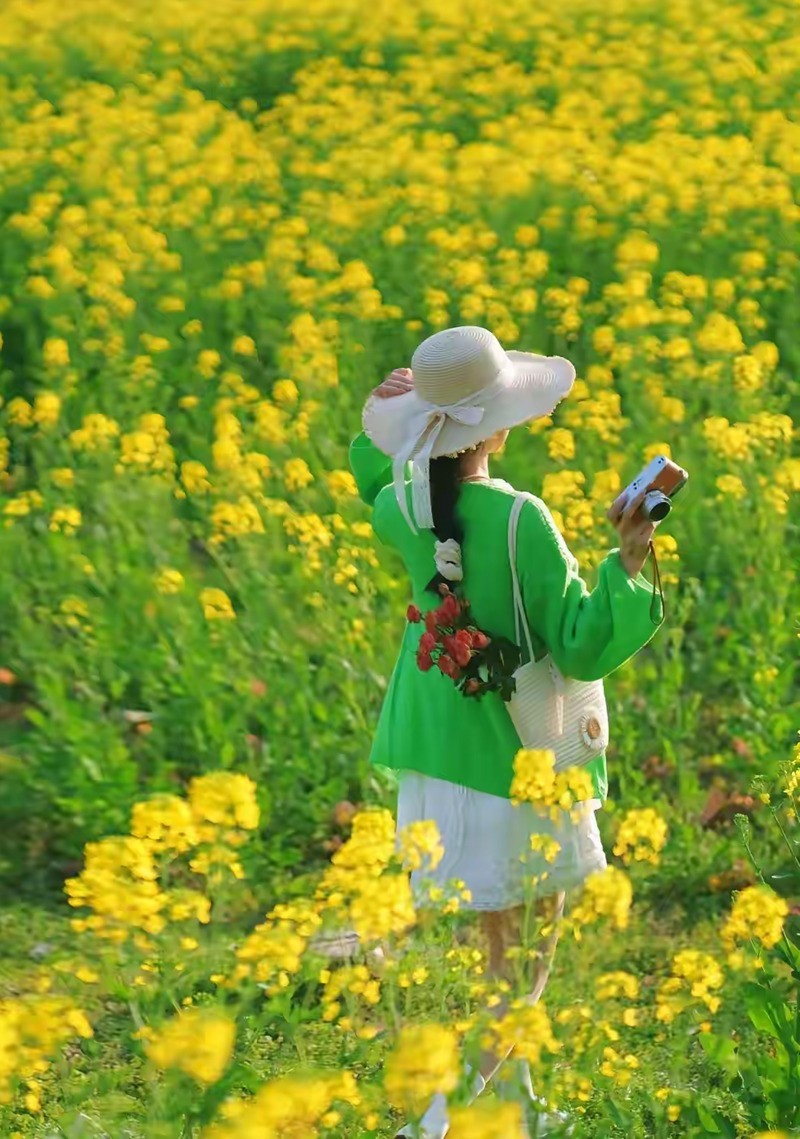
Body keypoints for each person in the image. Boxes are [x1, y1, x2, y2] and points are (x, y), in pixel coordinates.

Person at [348, 326, 663, 1138]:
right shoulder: (522, 519)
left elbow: (372, 473)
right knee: (523, 964)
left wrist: (385, 416)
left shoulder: (401, 508)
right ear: (494, 427)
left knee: (498, 943)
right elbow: (582, 642)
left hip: (432, 756)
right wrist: (629, 561)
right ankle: (440, 1121)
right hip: (516, 759)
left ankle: (512, 1109)